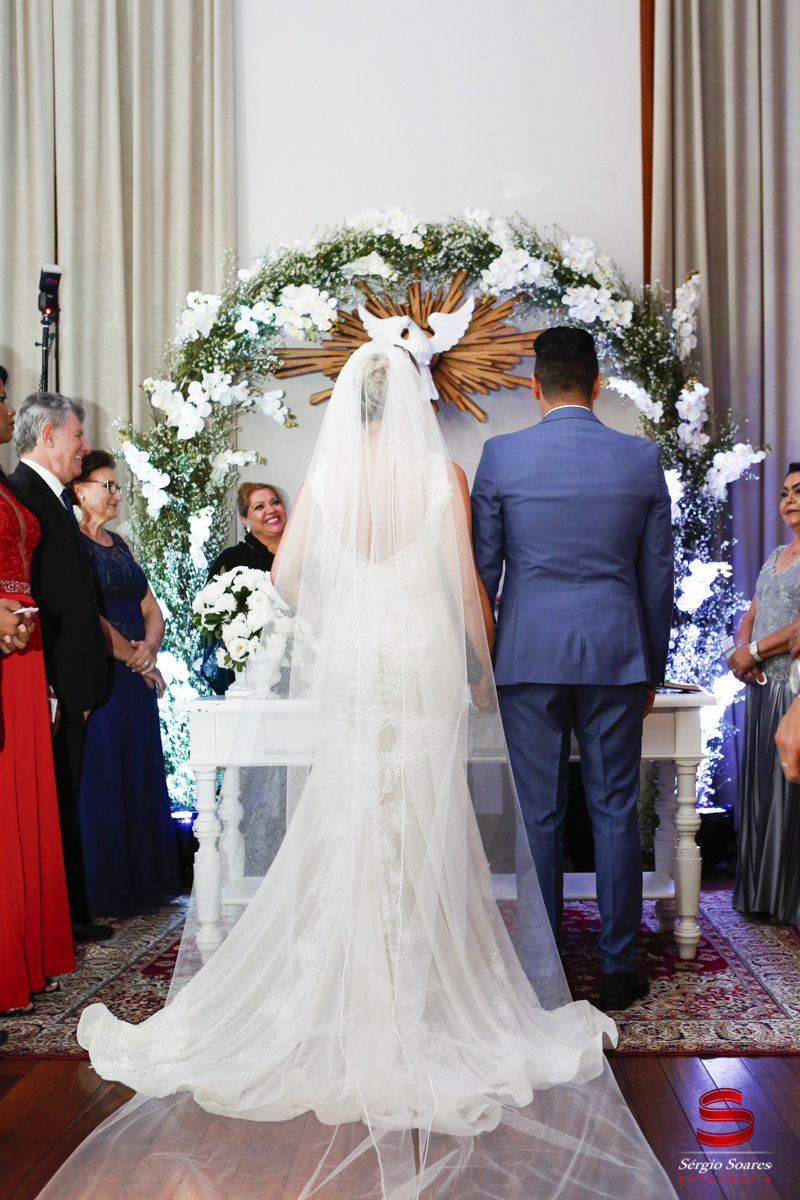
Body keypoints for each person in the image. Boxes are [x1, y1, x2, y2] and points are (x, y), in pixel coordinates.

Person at [45, 343, 674, 1200]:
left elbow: (288, 579)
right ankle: (420, 985)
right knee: (420, 812)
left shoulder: (327, 481)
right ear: (416, 400)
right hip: (420, 661)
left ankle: (349, 985)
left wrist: (346, 614)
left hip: (355, 664)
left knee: (350, 810)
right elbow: (466, 591)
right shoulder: (442, 478)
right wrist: (482, 672)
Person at [471, 326, 674, 1013]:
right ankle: (618, 969)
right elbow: (657, 577)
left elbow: (483, 572)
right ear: (597, 384)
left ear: (535, 386)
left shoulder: (501, 455)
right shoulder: (641, 457)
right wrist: (652, 666)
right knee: (616, 809)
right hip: (616, 653)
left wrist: (481, 662)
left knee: (539, 812)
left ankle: (542, 961)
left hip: (528, 654)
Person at [6, 394, 112, 943]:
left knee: (64, 800)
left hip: (69, 679)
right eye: (77, 435)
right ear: (47, 436)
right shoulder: (18, 493)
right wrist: (49, 684)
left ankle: (64, 914)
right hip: (44, 678)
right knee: (50, 801)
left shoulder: (52, 496)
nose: (84, 447)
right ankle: (56, 919)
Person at [68, 451, 181, 918]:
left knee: (138, 771)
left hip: (137, 674)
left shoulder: (121, 543)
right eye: (107, 485)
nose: (116, 494)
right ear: (80, 490)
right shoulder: (71, 544)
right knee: (105, 777)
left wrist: (149, 649)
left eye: (117, 487)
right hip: (103, 671)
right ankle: (106, 892)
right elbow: (87, 616)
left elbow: (151, 607)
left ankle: (145, 885)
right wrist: (135, 658)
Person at [0, 374, 74, 1026]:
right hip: (5, 640)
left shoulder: (4, 484)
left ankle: (26, 953)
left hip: (24, 647)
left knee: (28, 799)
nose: (8, 410)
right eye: (0, 399)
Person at [731, 464, 800, 924]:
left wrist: (752, 652)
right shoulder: (776, 554)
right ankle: (758, 895)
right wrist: (741, 651)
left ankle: (785, 899)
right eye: (784, 492)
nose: (789, 500)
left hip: (792, 690)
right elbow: (751, 616)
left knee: (787, 795)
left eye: (799, 492)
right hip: (760, 690)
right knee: (759, 792)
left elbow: (797, 628)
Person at [201, 481, 288, 694]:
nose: (271, 510)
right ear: (245, 520)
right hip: (248, 675)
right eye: (259, 507)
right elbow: (213, 621)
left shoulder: (304, 556)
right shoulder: (231, 560)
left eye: (275, 502)